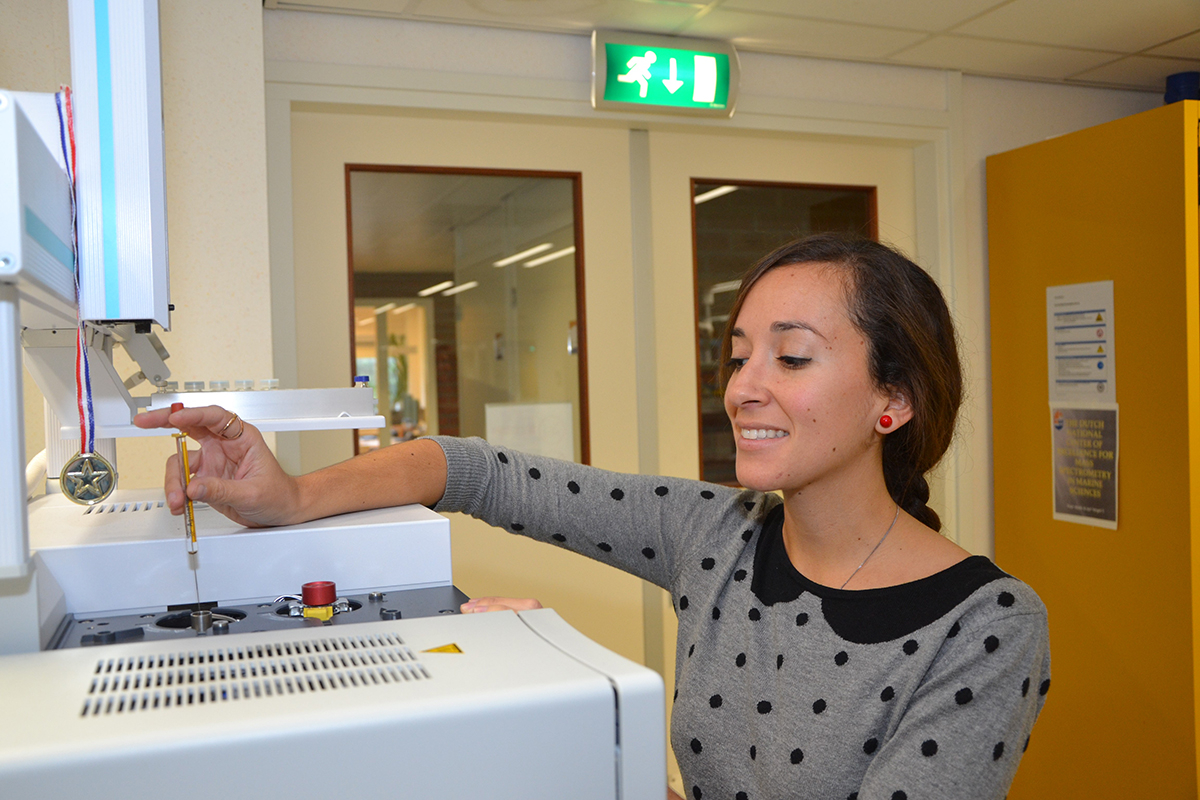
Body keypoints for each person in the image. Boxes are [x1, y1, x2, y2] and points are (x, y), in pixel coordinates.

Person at [136, 233, 1050, 800]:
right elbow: (475, 472)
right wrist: (289, 496)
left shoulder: (987, 626)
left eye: (792, 357)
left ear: (893, 399)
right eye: (737, 357)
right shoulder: (720, 535)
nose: (743, 388)